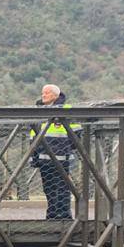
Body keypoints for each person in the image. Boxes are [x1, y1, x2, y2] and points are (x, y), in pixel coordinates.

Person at [31, 84, 75, 220]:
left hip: (61, 157)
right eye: (43, 92)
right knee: (49, 188)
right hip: (44, 158)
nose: (43, 95)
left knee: (62, 187)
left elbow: (77, 134)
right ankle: (52, 216)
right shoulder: (38, 111)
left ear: (55, 95)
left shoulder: (66, 110)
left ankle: (64, 216)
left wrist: (67, 148)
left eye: (47, 93)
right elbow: (33, 136)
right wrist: (35, 156)